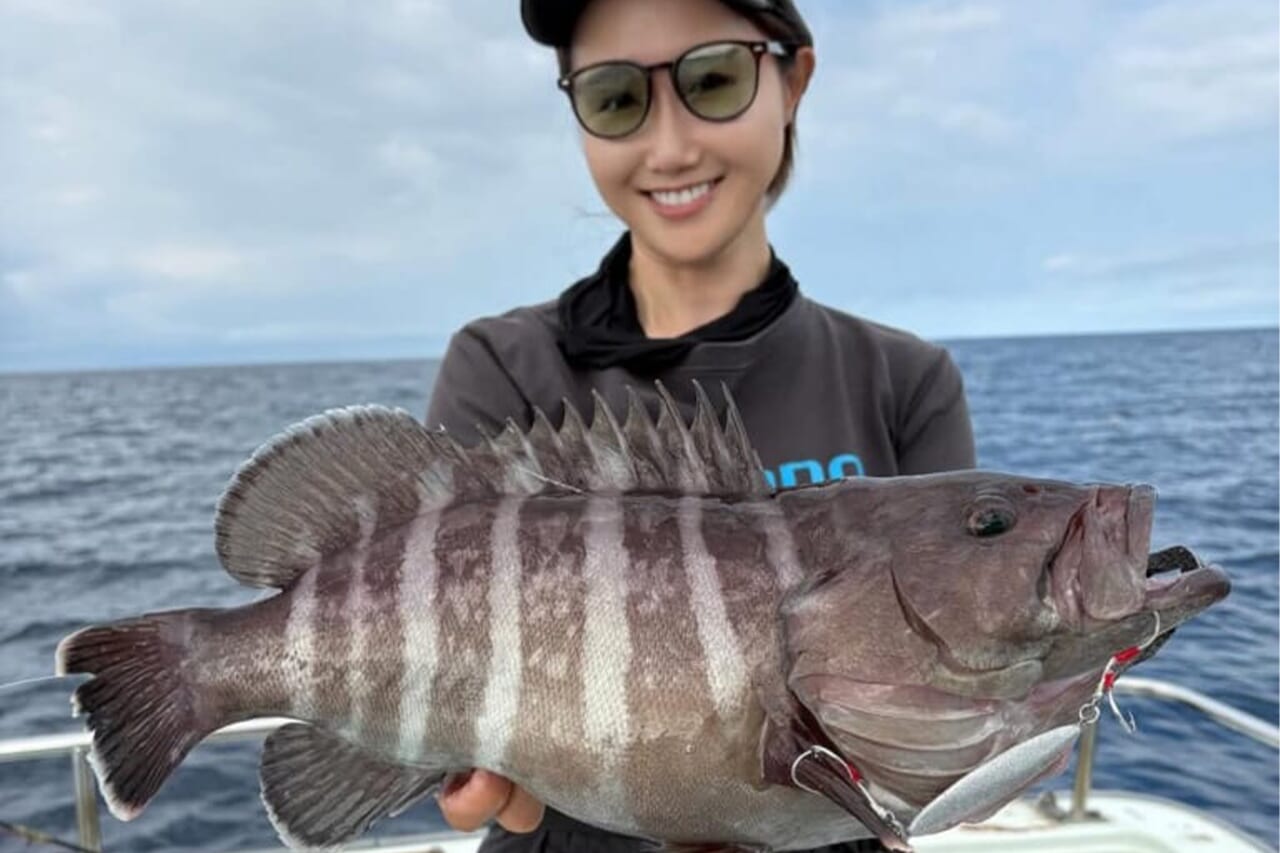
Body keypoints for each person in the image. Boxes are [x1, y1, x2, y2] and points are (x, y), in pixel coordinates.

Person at [424, 0, 976, 850]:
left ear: (793, 80)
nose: (671, 145)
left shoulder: (905, 382)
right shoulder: (501, 366)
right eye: (615, 97)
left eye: (713, 80)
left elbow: (958, 691)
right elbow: (433, 653)